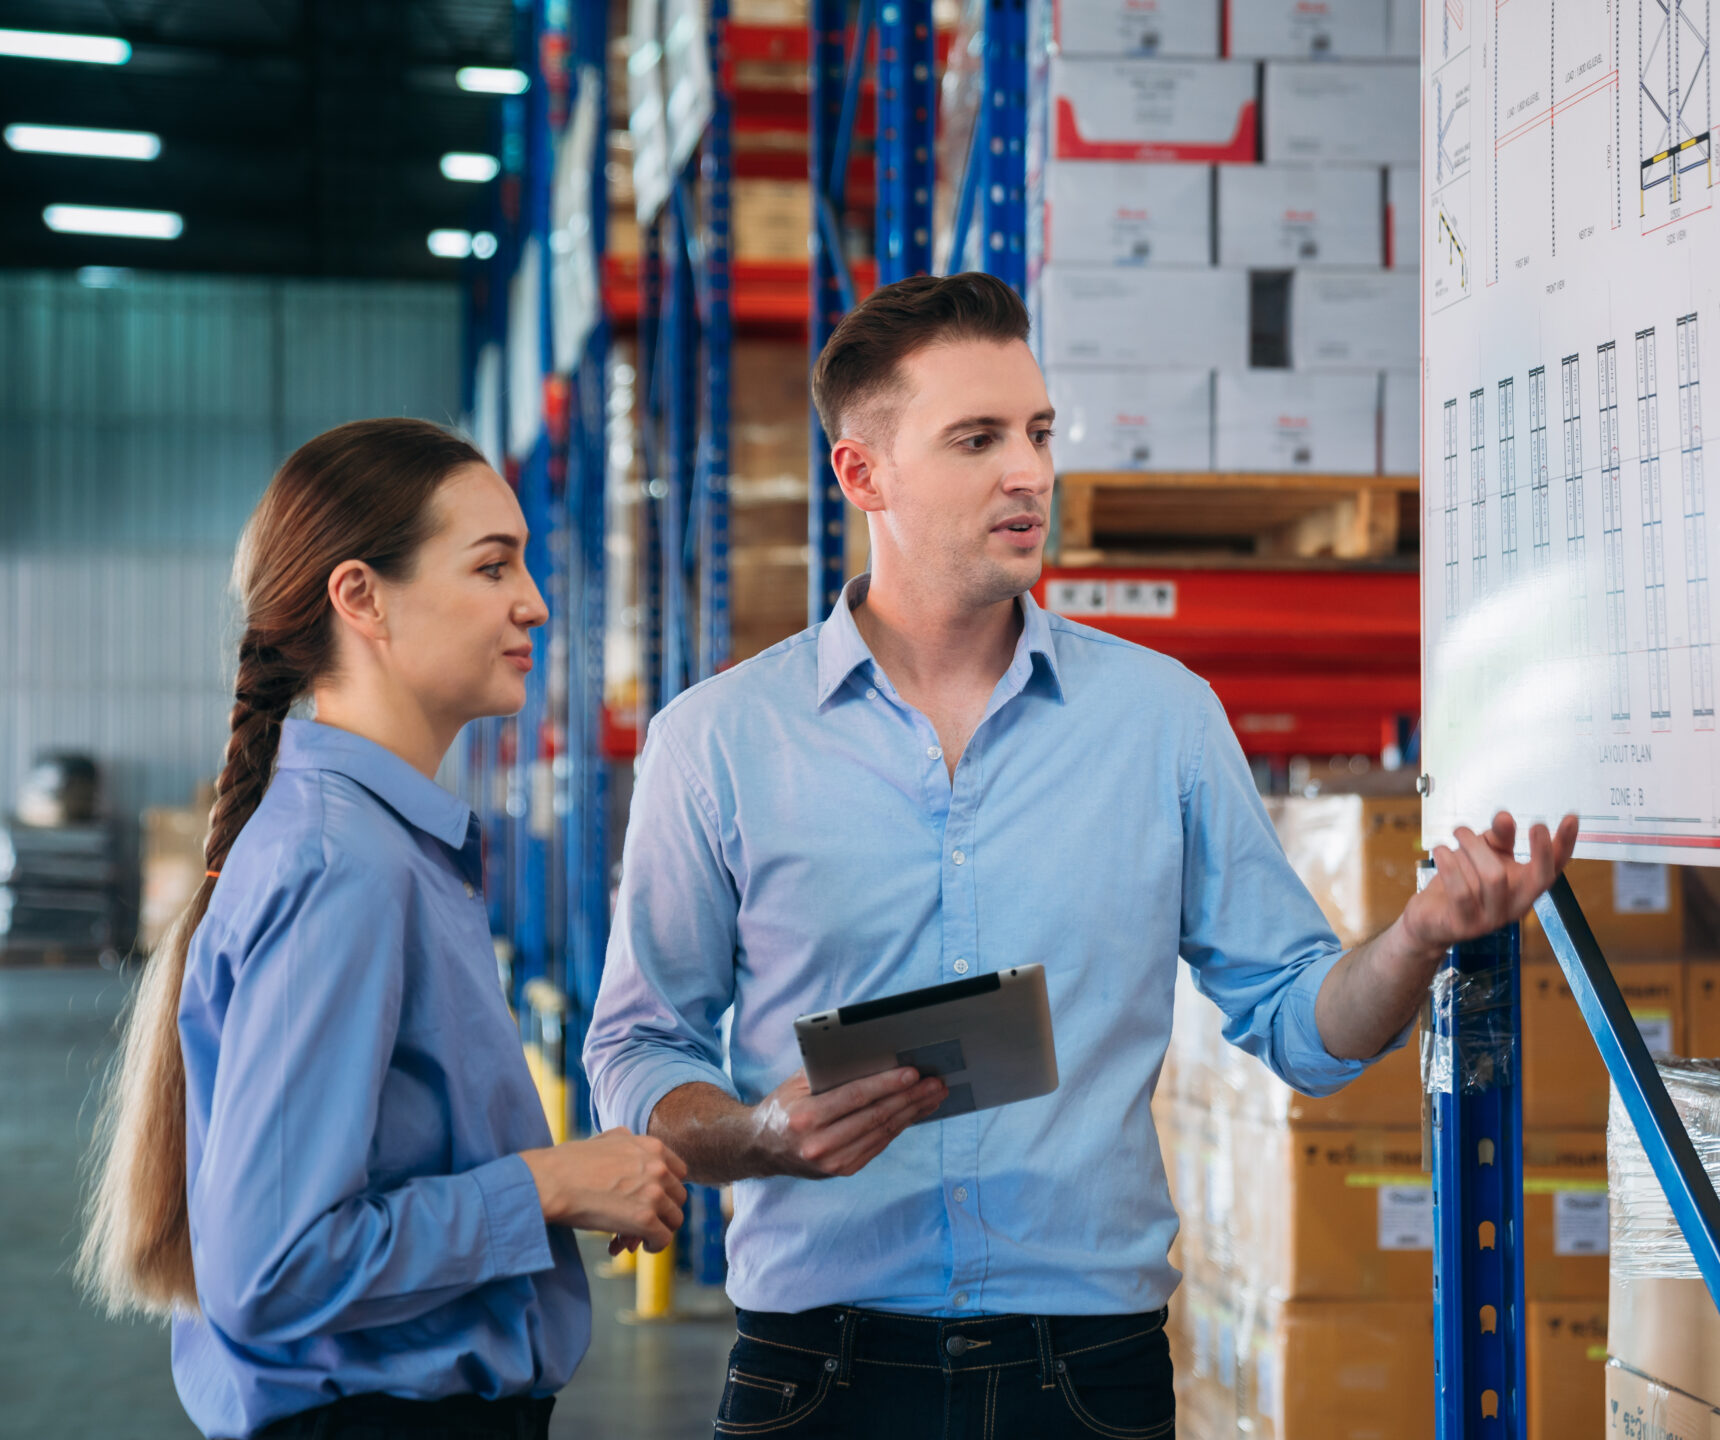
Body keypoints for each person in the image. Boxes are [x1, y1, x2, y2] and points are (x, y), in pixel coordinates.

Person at [582, 274, 1576, 1437]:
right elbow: (638, 1047)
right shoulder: (718, 742)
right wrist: (759, 1137)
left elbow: (1306, 1030)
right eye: (977, 439)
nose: (1029, 472)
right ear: (865, 476)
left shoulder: (1160, 721)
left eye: (1040, 432)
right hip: (818, 1373)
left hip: (1084, 1381)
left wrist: (1416, 938)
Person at [79, 419, 691, 1440]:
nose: (533, 603)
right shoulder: (342, 866)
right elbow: (275, 1267)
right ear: (359, 596)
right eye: (491, 566)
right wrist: (544, 1184)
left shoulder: (379, 846)